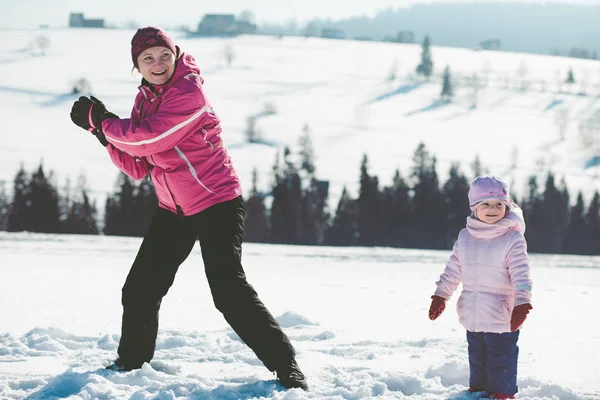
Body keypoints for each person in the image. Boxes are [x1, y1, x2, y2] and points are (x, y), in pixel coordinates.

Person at [69, 26, 307, 390]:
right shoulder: (145, 100)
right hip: (174, 208)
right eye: (147, 58)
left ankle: (286, 366)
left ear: (175, 54)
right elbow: (138, 164)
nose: (158, 63)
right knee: (140, 288)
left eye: (164, 55)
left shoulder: (188, 92)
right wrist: (101, 133)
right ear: (137, 66)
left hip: (217, 202)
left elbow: (150, 137)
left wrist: (103, 122)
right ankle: (131, 364)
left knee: (228, 291)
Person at [428, 176, 533, 400]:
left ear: (507, 206)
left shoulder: (512, 238)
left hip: (501, 313)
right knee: (477, 355)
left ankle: (502, 393)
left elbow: (521, 273)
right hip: (472, 312)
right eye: (485, 204)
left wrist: (522, 302)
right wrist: (440, 295)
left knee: (501, 355)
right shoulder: (465, 237)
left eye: (498, 204)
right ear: (474, 207)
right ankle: (478, 388)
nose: (492, 209)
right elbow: (453, 269)